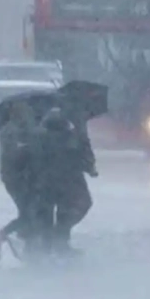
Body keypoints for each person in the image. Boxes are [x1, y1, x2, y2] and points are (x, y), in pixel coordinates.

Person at [28, 107, 95, 258]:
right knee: (69, 211)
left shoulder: (38, 138)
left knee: (47, 215)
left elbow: (30, 160)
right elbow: (84, 159)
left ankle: (48, 245)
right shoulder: (73, 137)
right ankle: (59, 240)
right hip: (68, 183)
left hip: (44, 183)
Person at [0, 101, 36, 260]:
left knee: (27, 212)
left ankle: (23, 241)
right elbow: (14, 153)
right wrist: (29, 148)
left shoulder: (17, 130)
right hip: (15, 178)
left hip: (16, 177)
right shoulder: (10, 131)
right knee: (28, 214)